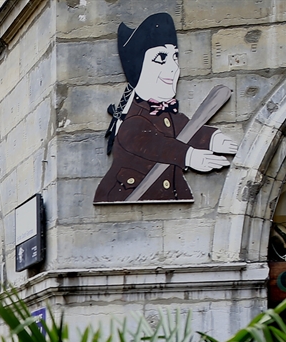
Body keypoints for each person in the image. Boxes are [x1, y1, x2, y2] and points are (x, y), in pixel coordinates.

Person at [94, 12, 236, 203]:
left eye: (175, 57)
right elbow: (152, 143)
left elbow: (188, 130)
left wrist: (213, 139)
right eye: (161, 57)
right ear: (137, 68)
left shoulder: (168, 115)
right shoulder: (132, 122)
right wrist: (189, 156)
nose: (173, 67)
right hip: (124, 193)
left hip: (173, 194)